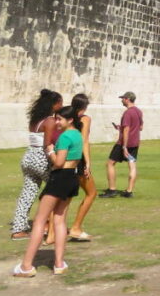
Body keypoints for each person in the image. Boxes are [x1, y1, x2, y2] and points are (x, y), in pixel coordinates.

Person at [13, 105, 82, 277]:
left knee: (39, 221)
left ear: (70, 120)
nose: (57, 122)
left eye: (60, 119)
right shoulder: (78, 135)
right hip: (72, 178)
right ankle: (59, 263)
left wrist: (50, 150)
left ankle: (26, 265)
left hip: (60, 177)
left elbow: (58, 162)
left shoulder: (65, 136)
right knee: (59, 220)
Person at [10, 89, 60, 239]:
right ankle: (48, 226)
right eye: (60, 103)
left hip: (28, 157)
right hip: (41, 158)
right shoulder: (50, 121)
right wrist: (56, 161)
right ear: (54, 104)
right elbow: (47, 144)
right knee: (54, 190)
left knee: (27, 194)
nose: (61, 106)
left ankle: (18, 229)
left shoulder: (35, 120)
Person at [66, 94, 96, 242]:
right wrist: (88, 163)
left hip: (65, 158)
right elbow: (84, 141)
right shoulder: (85, 119)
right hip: (79, 160)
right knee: (91, 193)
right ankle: (76, 227)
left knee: (64, 197)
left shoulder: (66, 117)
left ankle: (51, 229)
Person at [100, 91, 142, 198]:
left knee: (110, 163)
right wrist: (120, 127)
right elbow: (139, 127)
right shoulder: (139, 111)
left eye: (123, 98)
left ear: (127, 99)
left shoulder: (127, 113)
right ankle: (129, 191)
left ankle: (112, 189)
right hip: (135, 143)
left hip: (124, 143)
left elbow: (127, 130)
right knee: (132, 166)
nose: (121, 100)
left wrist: (124, 147)